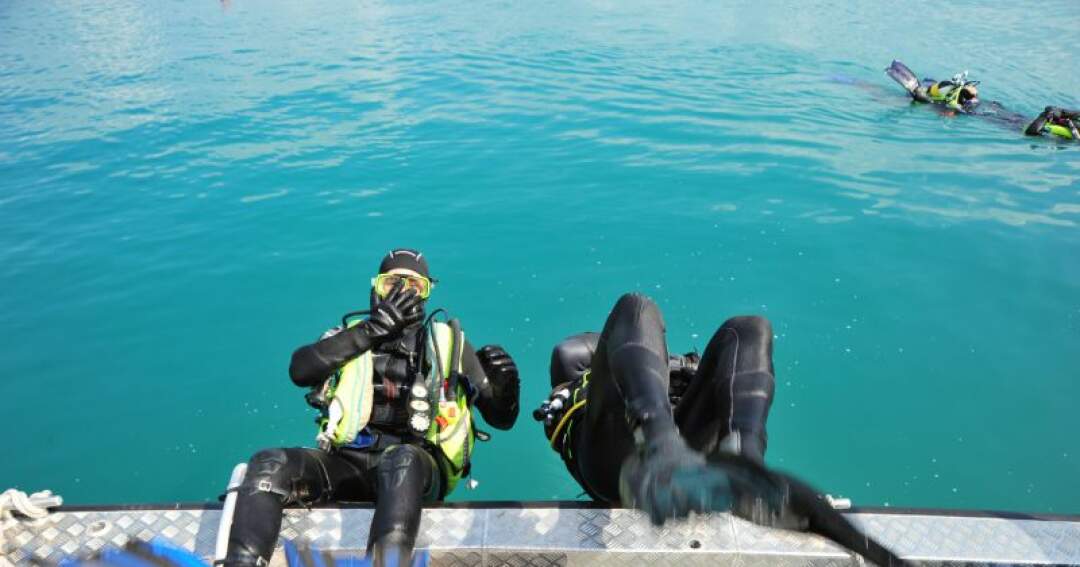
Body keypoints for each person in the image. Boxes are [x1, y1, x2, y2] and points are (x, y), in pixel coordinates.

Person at [537, 293, 909, 566]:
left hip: (684, 459)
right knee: (636, 306)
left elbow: (642, 348)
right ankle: (660, 443)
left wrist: (685, 373)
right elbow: (611, 338)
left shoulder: (643, 357)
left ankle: (744, 465)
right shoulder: (576, 356)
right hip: (613, 464)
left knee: (748, 328)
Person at [224, 249, 520, 567]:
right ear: (375, 289)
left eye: (414, 286)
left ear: (427, 293)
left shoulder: (448, 344)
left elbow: (501, 419)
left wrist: (506, 391)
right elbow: (301, 370)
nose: (401, 292)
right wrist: (373, 329)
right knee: (268, 463)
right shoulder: (349, 334)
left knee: (401, 459)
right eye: (391, 283)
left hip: (416, 472)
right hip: (346, 465)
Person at [886, 60, 1078, 140]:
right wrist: (1057, 112)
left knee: (958, 109)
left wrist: (1048, 114)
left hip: (1004, 122)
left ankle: (923, 96)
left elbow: (1031, 132)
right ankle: (943, 90)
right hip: (1002, 112)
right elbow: (1066, 111)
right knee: (971, 98)